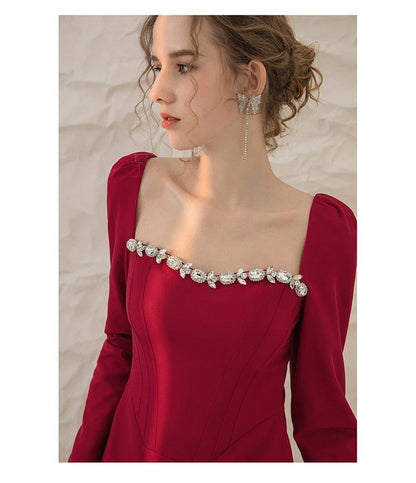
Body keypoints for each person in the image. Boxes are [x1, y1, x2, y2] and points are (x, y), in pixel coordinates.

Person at [68, 15, 357, 462]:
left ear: (250, 79)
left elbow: (324, 423)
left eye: (183, 66)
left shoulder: (322, 234)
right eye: (157, 65)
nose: (157, 90)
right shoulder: (133, 186)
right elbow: (120, 346)